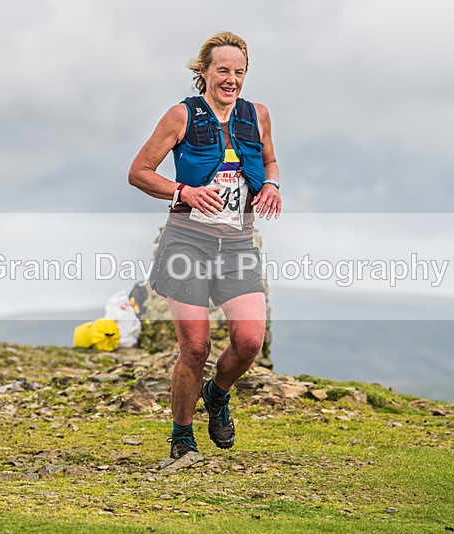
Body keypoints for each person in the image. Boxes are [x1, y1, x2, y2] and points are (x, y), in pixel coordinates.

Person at [129, 32, 281, 459]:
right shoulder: (180, 115)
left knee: (250, 340)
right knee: (195, 347)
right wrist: (184, 191)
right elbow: (139, 171)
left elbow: (269, 160)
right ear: (204, 72)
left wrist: (271, 184)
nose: (231, 80)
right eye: (222, 71)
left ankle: (217, 394)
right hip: (187, 242)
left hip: (237, 243)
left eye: (239, 72)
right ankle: (181, 437)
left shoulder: (258, 115)